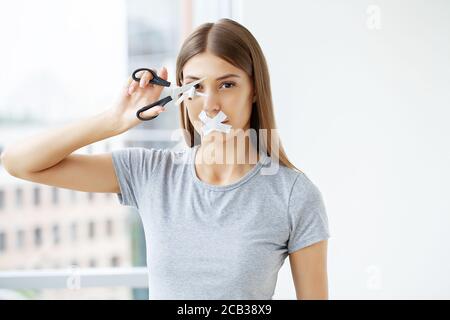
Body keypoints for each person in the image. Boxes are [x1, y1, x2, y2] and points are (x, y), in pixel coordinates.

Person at [1, 18, 330, 300]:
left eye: (227, 84)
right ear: (181, 96)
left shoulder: (293, 195)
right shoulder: (151, 173)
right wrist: (114, 120)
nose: (211, 104)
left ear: (254, 89)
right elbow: (18, 163)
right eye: (196, 87)